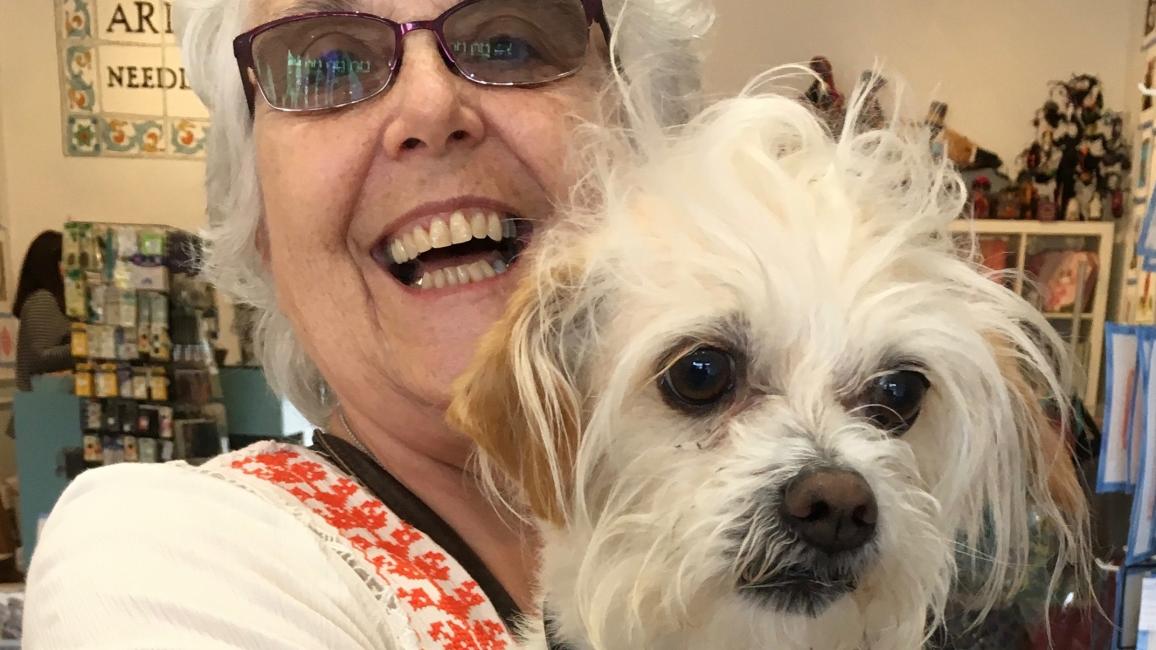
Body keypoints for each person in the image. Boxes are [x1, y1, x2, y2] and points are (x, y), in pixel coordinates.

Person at [23, 0, 711, 646]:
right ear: (261, 229)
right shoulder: (169, 561)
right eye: (329, 65)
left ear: (650, 143)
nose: (430, 108)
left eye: (510, 42)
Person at [12, 231, 70, 398]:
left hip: (45, 401)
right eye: (65, 261)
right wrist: (85, 346)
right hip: (43, 403)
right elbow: (41, 357)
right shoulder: (43, 300)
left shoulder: (48, 300)